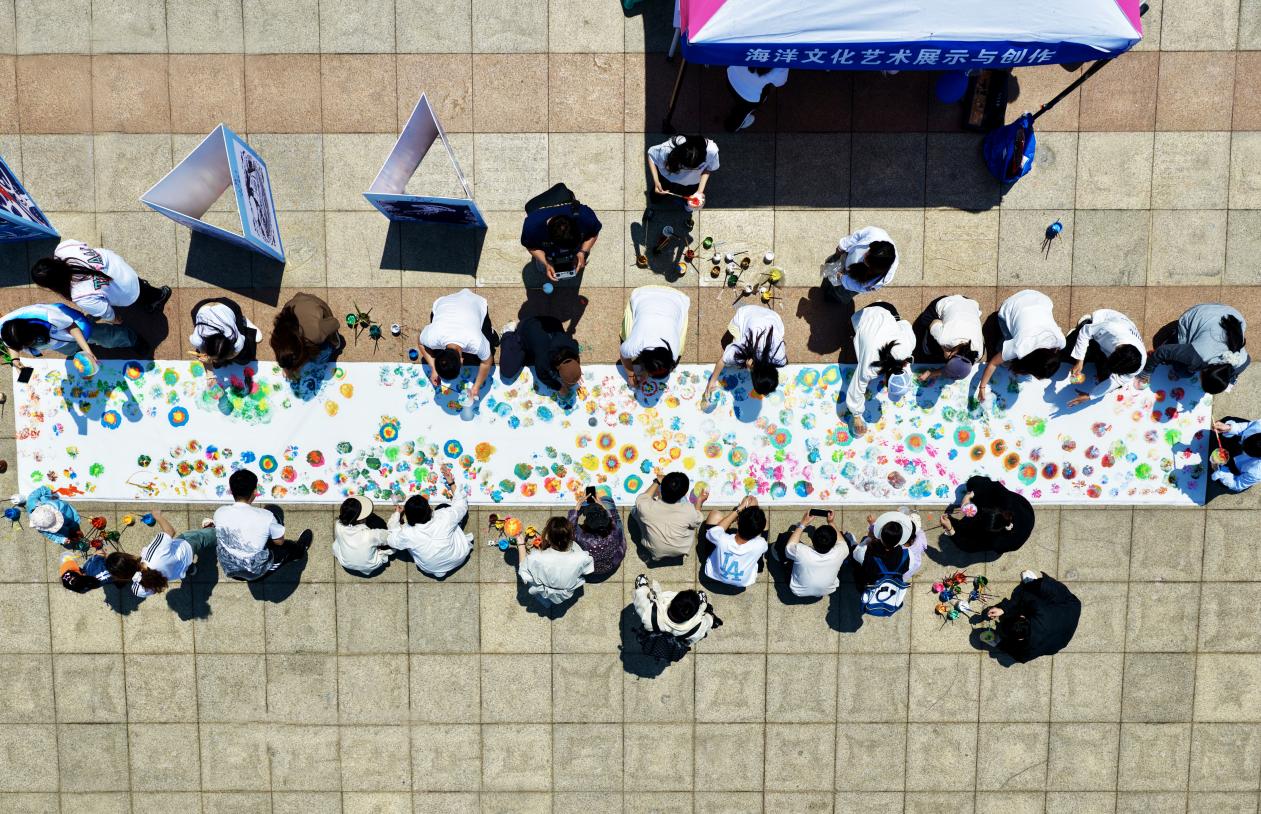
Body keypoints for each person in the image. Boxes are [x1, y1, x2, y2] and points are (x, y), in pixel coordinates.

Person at [31, 240, 170, 324]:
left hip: (127, 290)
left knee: (142, 293)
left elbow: (108, 313)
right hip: (117, 264)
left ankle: (159, 297)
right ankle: (150, 291)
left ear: (52, 285)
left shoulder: (80, 295)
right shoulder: (63, 248)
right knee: (140, 286)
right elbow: (85, 247)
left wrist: (115, 320)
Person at [211, 469, 311, 581]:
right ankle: (300, 552)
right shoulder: (267, 517)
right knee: (287, 547)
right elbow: (279, 542)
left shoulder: (219, 512)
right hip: (255, 571)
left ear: (231, 491)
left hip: (230, 569)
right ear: (255, 492)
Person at [102, 509, 215, 598]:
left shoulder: (137, 589)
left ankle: (191, 569)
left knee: (186, 567)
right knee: (203, 537)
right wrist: (157, 516)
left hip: (177, 571)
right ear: (129, 557)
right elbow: (170, 531)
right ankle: (213, 531)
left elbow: (152, 586)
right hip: (186, 548)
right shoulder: (153, 553)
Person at [977, 289, 1065, 402]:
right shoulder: (1021, 346)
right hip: (1012, 305)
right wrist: (982, 387)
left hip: (1040, 299)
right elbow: (993, 363)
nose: (1035, 378)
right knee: (1005, 363)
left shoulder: (1060, 342)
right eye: (1035, 374)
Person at [1141, 304, 1249, 394]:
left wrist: (1230, 381)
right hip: (1199, 315)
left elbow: (1241, 366)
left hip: (1231, 315)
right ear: (1203, 372)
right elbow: (1162, 351)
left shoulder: (1241, 362)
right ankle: (1173, 337)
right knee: (1182, 371)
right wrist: (1145, 373)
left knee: (1186, 369)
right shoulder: (1197, 356)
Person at [842, 303, 915, 436]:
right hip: (861, 317)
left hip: (887, 308)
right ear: (886, 380)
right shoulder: (870, 368)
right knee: (853, 340)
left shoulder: (908, 347)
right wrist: (856, 416)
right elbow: (856, 389)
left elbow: (905, 325)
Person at [387, 474, 474, 578]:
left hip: (431, 568)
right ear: (428, 508)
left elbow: (391, 539)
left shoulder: (407, 532)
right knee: (444, 507)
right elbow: (461, 505)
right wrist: (451, 483)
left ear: (408, 515)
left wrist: (397, 514)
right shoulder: (444, 516)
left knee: (405, 541)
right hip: (457, 557)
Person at [985, 572, 1081, 663]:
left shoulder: (1028, 648)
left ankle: (1032, 585)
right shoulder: (1040, 609)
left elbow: (1019, 656)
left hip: (1063, 622)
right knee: (1039, 588)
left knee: (1014, 649)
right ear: (1022, 616)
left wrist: (1000, 644)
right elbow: (1026, 597)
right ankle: (1031, 583)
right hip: (1069, 607)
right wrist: (1003, 609)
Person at [418, 288, 497, 399]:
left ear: (461, 360)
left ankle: (491, 332)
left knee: (489, 346)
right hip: (445, 302)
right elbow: (420, 343)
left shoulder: (476, 342)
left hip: (475, 302)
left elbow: (487, 362)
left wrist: (476, 387)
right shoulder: (433, 336)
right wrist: (433, 368)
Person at [702, 303, 787, 401]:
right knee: (735, 360)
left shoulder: (780, 359)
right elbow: (722, 361)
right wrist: (712, 381)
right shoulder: (743, 349)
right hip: (746, 313)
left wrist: (752, 367)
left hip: (773, 316)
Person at [1063, 309, 1145, 407]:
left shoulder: (1137, 366)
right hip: (1098, 326)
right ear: (1117, 348)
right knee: (1068, 353)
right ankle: (1086, 321)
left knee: (1105, 380)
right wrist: (1079, 360)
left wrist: (1090, 396)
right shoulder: (1111, 329)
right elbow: (1085, 332)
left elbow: (1117, 381)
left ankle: (1096, 355)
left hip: (1106, 347)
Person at [940, 475, 1034, 555]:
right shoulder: (1006, 499)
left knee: (962, 530)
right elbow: (992, 485)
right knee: (974, 482)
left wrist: (950, 529)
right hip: (1024, 510)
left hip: (1012, 534)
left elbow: (966, 546)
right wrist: (969, 496)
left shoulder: (996, 541)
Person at [620, 285, 690, 389]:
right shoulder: (635, 345)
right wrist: (631, 375)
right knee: (626, 337)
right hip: (645, 294)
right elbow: (623, 355)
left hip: (676, 298)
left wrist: (644, 372)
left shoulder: (674, 353)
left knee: (679, 345)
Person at [520, 195, 602, 283]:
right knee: (542, 267)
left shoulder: (586, 216)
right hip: (549, 255)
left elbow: (594, 233)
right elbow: (531, 246)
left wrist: (582, 252)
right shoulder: (532, 227)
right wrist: (546, 263)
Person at [515, 516, 595, 606]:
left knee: (542, 597)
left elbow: (523, 572)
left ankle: (546, 602)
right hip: (566, 592)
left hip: (544, 591)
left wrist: (521, 544)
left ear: (548, 537)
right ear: (570, 536)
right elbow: (587, 570)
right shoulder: (581, 557)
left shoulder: (536, 557)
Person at [632, 468, 707, 561]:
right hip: (681, 549)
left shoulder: (647, 507)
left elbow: (642, 498)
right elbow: (698, 520)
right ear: (685, 493)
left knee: (635, 509)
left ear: (661, 490)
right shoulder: (689, 510)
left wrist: (657, 481)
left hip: (655, 550)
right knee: (690, 520)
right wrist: (699, 501)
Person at [498, 316, 582, 395]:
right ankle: (508, 333)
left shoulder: (574, 348)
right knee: (507, 373)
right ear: (557, 367)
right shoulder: (544, 358)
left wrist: (574, 373)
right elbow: (542, 376)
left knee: (536, 358)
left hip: (549, 322)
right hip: (526, 327)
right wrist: (559, 387)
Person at [632, 574, 720, 648]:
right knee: (709, 619)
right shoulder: (698, 628)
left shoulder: (649, 615)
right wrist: (709, 616)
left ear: (672, 601)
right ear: (693, 615)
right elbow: (707, 623)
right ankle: (703, 605)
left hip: (654, 631)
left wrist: (643, 588)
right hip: (676, 641)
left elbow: (640, 598)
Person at [269, 292, 343, 379]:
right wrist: (286, 368)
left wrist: (329, 335)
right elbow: (285, 352)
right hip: (295, 303)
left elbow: (335, 323)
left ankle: (334, 342)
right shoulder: (278, 337)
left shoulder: (316, 334)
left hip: (315, 305)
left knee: (325, 352)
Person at [699, 496, 768, 589]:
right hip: (743, 582)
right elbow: (761, 525)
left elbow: (715, 531)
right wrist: (754, 509)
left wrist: (738, 509)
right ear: (759, 532)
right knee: (761, 521)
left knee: (715, 515)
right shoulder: (761, 544)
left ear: (737, 521)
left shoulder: (722, 540)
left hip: (713, 573)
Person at [776, 510, 847, 599]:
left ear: (812, 540)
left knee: (786, 537)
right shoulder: (841, 551)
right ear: (834, 544)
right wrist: (831, 522)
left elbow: (789, 547)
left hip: (797, 590)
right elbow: (842, 542)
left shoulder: (801, 552)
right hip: (826, 591)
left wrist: (802, 524)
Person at [0, 303, 101, 365]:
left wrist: (87, 350)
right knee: (71, 350)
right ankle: (77, 348)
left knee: (100, 335)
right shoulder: (5, 331)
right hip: (57, 343)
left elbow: (72, 326)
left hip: (75, 327)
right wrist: (15, 360)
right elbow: (11, 345)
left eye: (27, 343)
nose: (25, 347)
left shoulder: (47, 316)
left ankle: (93, 322)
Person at [915, 295, 983, 384]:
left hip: (971, 304)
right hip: (947, 302)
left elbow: (954, 369)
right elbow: (934, 323)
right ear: (951, 354)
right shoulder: (944, 339)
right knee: (925, 321)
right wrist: (943, 347)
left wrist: (931, 373)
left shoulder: (978, 353)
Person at [821, 226, 898, 302]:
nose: (864, 255)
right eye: (869, 252)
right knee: (829, 272)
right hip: (847, 261)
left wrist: (842, 278)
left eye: (867, 261)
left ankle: (833, 298)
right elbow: (856, 237)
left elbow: (861, 287)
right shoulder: (875, 233)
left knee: (840, 294)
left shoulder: (882, 279)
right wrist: (841, 247)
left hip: (853, 280)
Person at [850, 509, 927, 585]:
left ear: (880, 536)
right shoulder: (909, 555)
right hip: (893, 584)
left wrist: (869, 538)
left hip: (872, 583)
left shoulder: (864, 552)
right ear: (901, 538)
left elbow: (855, 554)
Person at [645, 134, 719, 213]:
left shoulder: (712, 151)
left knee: (688, 204)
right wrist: (656, 181)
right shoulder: (667, 149)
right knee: (655, 198)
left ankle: (686, 205)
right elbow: (651, 156)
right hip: (667, 178)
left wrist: (699, 191)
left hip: (692, 183)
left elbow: (708, 168)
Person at [189, 297, 261, 369]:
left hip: (228, 306)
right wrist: (209, 360)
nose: (215, 360)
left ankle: (243, 321)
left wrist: (213, 360)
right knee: (214, 364)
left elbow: (234, 354)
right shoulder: (198, 340)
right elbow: (203, 354)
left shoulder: (237, 341)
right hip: (201, 307)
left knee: (244, 360)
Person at [568, 489, 626, 578]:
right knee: (607, 499)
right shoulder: (614, 531)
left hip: (591, 570)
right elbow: (613, 517)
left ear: (587, 524)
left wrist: (577, 507)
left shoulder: (582, 538)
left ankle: (586, 506)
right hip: (612, 565)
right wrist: (603, 506)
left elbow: (569, 529)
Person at [332, 495, 392, 576]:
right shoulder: (371, 535)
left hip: (346, 563)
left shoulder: (338, 525)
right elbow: (390, 536)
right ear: (361, 520)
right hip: (370, 565)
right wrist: (397, 516)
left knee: (337, 543)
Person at [724, 66, 789, 132]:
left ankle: (736, 122)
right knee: (744, 109)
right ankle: (737, 124)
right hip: (750, 99)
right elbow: (780, 82)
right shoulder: (779, 67)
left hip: (731, 79)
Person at [1210, 417, 1261, 493]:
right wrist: (1229, 428)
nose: (1241, 445)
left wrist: (1222, 472)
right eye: (1245, 440)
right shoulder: (1259, 425)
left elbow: (1236, 485)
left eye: (1245, 451)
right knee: (1225, 421)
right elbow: (1248, 426)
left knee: (1221, 482)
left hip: (1239, 470)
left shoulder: (1256, 472)